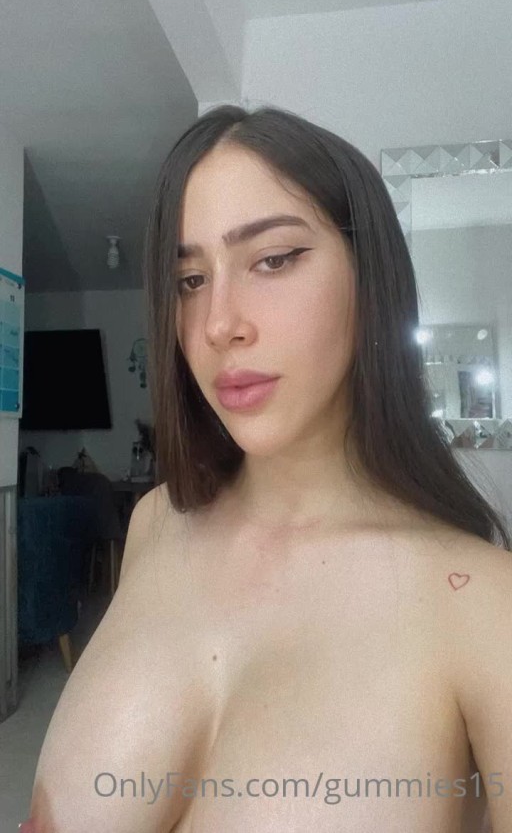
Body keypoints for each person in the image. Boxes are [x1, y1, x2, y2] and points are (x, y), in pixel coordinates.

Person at [23, 105, 511, 832]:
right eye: (190, 280)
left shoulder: (484, 606)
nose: (219, 323)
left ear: (370, 277)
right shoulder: (156, 524)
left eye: (274, 259)